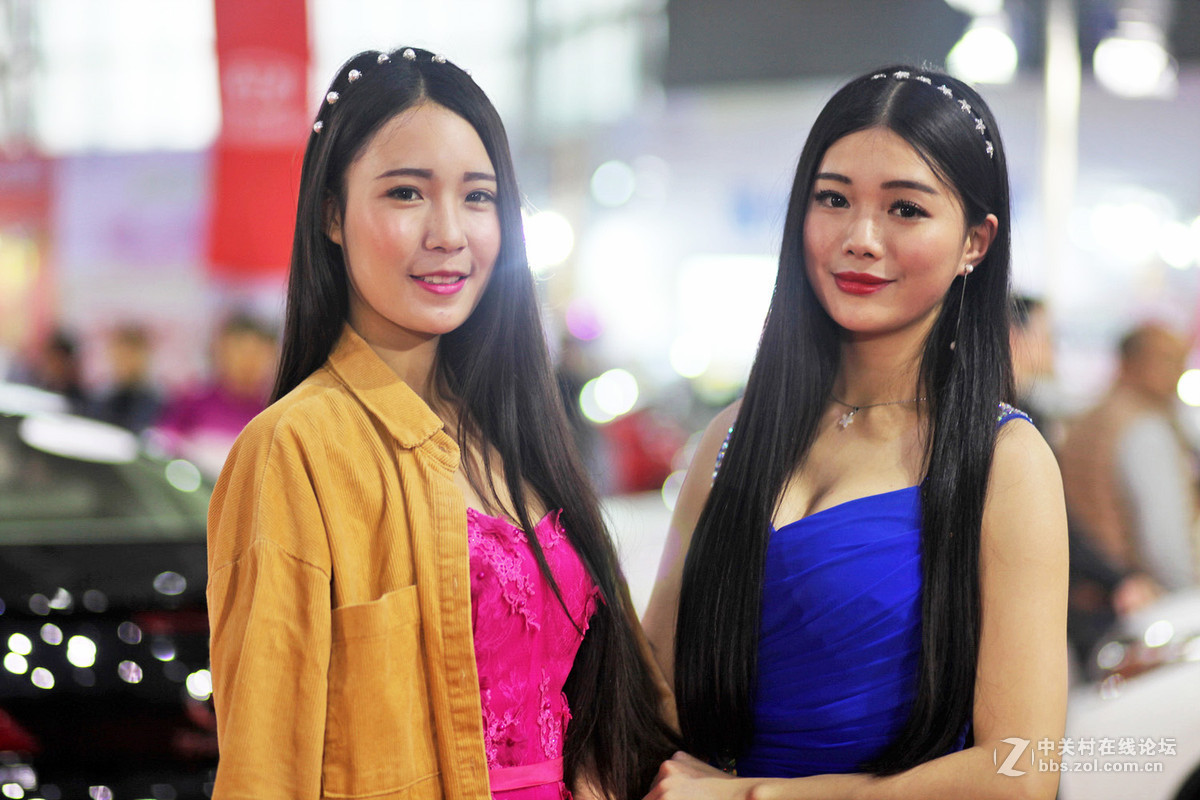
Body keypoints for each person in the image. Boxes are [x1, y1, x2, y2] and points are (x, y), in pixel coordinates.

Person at [206, 47, 676, 800]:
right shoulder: (293, 450)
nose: (449, 232)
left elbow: (605, 702)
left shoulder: (517, 432)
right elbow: (266, 771)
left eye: (478, 197)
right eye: (406, 193)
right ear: (331, 213)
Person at [640, 66, 1068, 799]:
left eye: (906, 209)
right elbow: (660, 687)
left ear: (975, 241)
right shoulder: (733, 435)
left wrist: (753, 796)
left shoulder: (1005, 461)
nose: (861, 238)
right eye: (833, 199)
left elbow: (1021, 771)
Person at [1058, 322, 1198, 593]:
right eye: (1168, 360)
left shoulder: (1091, 417)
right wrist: (1188, 596)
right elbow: (1165, 545)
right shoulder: (1145, 429)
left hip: (1089, 588)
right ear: (1133, 362)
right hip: (1132, 594)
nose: (1178, 372)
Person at [152, 311, 277, 476]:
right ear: (221, 352)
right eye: (240, 351)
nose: (248, 361)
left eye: (257, 352)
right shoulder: (193, 401)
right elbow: (161, 448)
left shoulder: (275, 412)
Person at [87, 322, 163, 433]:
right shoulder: (103, 394)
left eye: (129, 355)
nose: (124, 362)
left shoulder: (153, 399)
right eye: (120, 355)